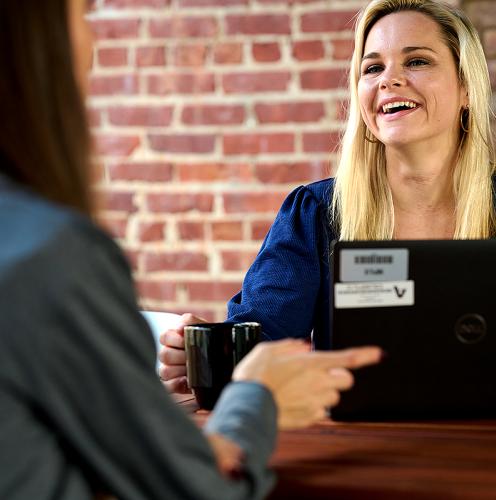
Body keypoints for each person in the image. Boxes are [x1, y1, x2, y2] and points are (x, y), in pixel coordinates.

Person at [0, 0, 382, 499]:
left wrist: (186, 446)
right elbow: (198, 486)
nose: (92, 44)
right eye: (83, 15)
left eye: (418, 61)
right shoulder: (44, 254)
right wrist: (245, 397)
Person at [159, 0, 495, 395]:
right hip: (359, 443)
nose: (388, 80)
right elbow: (269, 341)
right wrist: (214, 350)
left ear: (466, 88)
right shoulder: (316, 213)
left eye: (417, 61)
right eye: (372, 68)